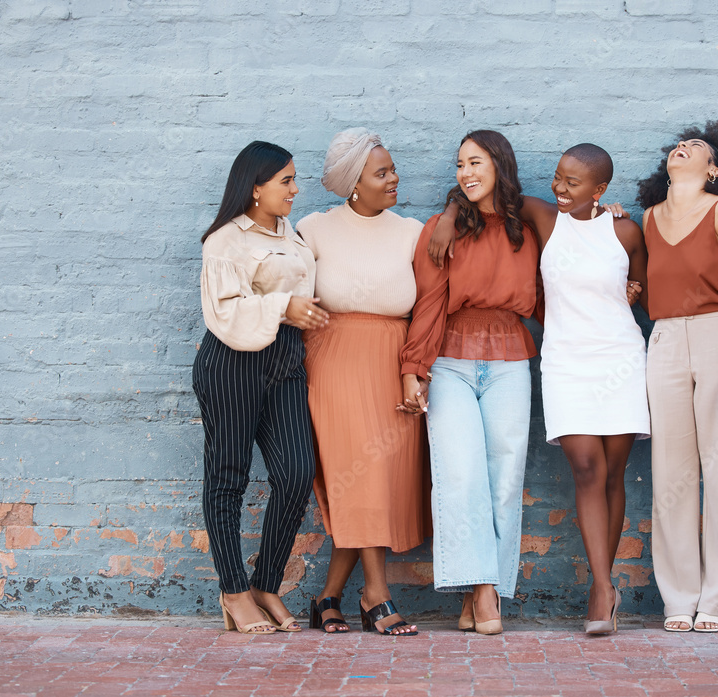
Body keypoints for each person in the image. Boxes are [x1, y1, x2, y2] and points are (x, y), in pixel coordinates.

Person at [429, 145, 649, 635]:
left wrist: (633, 289)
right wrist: (446, 216)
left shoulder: (626, 230)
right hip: (567, 363)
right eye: (557, 177)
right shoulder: (544, 219)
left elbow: (644, 289)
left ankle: (602, 588)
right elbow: (485, 194)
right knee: (586, 467)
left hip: (620, 360)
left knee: (613, 473)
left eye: (573, 183)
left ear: (601, 190)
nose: (560, 189)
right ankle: (599, 587)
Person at [401, 130, 539, 636]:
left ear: (499, 164)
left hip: (509, 360)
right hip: (451, 363)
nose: (466, 173)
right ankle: (485, 593)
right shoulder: (442, 230)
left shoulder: (529, 226)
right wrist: (413, 370)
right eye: (459, 164)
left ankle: (480, 593)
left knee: (505, 478)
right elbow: (429, 304)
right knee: (460, 475)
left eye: (475, 162)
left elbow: (552, 290)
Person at [636, 121, 718, 633]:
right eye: (677, 145)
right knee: (671, 476)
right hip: (665, 339)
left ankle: (714, 600)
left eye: (697, 147)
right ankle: (678, 598)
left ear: (713, 168)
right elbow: (645, 288)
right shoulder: (645, 219)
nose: (682, 148)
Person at [192, 141, 329, 634]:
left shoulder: (291, 235)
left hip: (286, 362)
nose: (296, 189)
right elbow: (224, 312)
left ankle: (266, 582)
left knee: (296, 472)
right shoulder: (225, 241)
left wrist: (298, 313)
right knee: (228, 476)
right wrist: (284, 308)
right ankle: (233, 591)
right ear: (255, 188)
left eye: (295, 179)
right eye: (286, 181)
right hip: (233, 362)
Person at [296, 128, 428, 637]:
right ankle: (376, 592)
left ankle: (328, 598)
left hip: (393, 364)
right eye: (382, 172)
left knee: (374, 481)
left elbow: (425, 309)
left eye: (392, 169)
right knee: (359, 472)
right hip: (333, 361)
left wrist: (414, 373)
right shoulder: (313, 229)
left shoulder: (411, 231)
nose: (394, 178)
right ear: (354, 183)